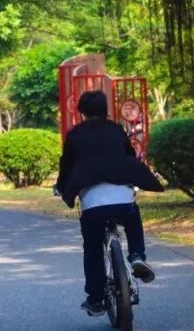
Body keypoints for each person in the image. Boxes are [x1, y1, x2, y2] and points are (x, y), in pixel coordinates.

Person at [56, 90, 163, 316]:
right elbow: (129, 157)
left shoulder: (74, 135)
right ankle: (136, 256)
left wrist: (62, 188)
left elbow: (66, 167)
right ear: (106, 110)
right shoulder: (116, 130)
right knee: (133, 219)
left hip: (93, 205)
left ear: (82, 112)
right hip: (122, 199)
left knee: (92, 246)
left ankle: (96, 298)